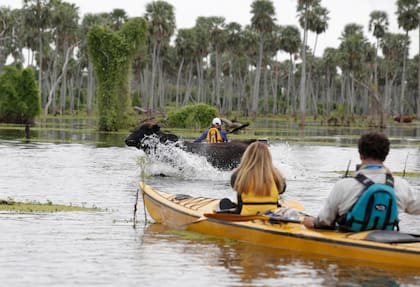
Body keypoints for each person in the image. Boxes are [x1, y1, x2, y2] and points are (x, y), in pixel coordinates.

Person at [302, 131, 420, 230]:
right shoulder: (400, 185)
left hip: (351, 241)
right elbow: (416, 208)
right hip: (388, 239)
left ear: (360, 154)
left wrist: (312, 222)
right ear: (386, 155)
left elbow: (325, 220)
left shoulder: (343, 186)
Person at [219, 141, 287, 215]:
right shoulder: (277, 175)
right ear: (268, 157)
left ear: (247, 156)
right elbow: (281, 190)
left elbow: (234, 187)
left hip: (246, 215)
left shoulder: (238, 175)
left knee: (224, 202)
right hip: (271, 215)